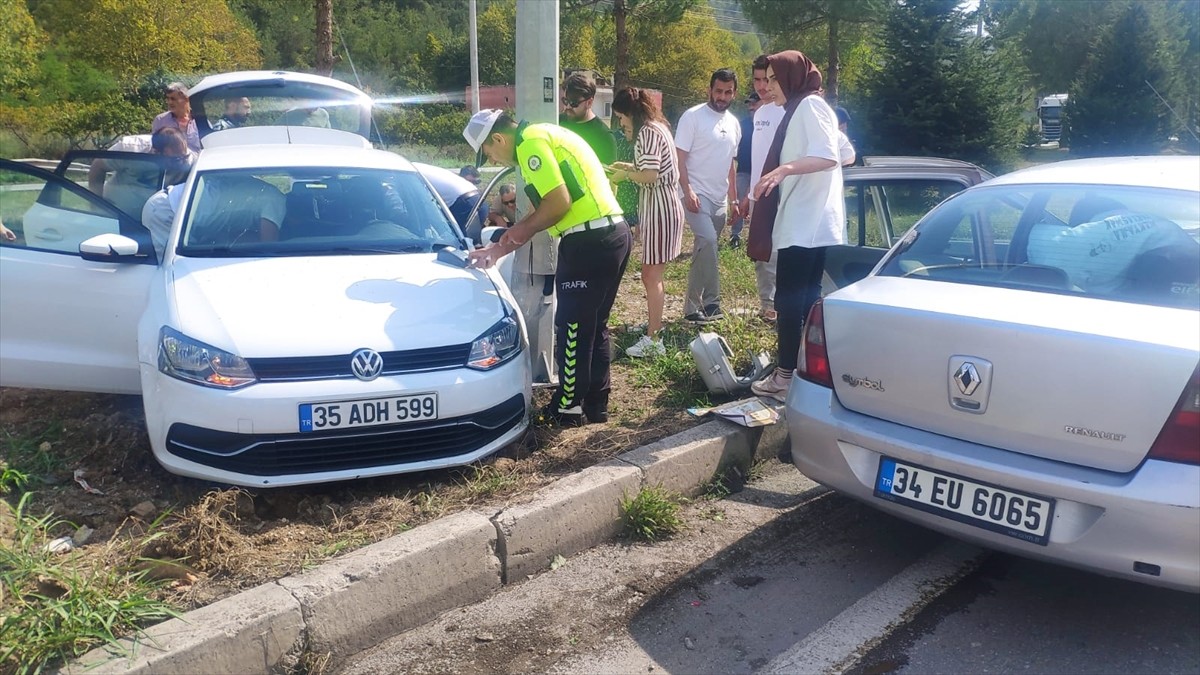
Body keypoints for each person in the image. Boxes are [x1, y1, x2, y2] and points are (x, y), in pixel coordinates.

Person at [463, 109, 631, 426]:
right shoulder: (545, 133)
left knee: (571, 327)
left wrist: (510, 238)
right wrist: (501, 247)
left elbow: (557, 203)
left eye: (490, 154)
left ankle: (566, 407)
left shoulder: (530, 143)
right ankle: (596, 405)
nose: (496, 161)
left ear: (498, 138)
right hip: (612, 234)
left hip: (588, 240)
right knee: (594, 327)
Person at [748, 51, 845, 401]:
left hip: (806, 221)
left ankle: (785, 377)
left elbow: (831, 156)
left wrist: (785, 169)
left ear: (790, 78)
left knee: (788, 303)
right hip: (813, 222)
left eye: (774, 79)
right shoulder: (809, 108)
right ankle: (802, 370)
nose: (769, 86)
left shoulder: (808, 107)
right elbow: (846, 151)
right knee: (804, 301)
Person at [608, 87, 685, 359]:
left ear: (630, 113)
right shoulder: (656, 127)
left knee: (651, 276)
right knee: (651, 275)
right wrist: (627, 167)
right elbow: (652, 169)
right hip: (659, 208)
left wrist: (625, 176)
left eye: (621, 117)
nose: (621, 123)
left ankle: (654, 340)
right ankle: (654, 326)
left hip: (661, 210)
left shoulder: (647, 133)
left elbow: (650, 176)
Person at [675, 68, 741, 324]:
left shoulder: (734, 123)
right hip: (694, 193)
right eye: (718, 91)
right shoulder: (692, 117)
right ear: (709, 90)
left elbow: (730, 165)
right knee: (709, 240)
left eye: (728, 92)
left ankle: (691, 310)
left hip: (719, 198)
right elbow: (679, 159)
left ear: (734, 93)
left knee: (703, 251)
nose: (722, 96)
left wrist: (734, 200)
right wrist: (687, 189)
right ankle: (713, 303)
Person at [488, 182, 558, 385]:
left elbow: (538, 216)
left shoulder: (539, 190)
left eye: (513, 201)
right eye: (506, 203)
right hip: (520, 247)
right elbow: (494, 214)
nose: (510, 205)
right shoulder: (502, 200)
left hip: (544, 259)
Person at [740, 54, 787, 324]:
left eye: (766, 79)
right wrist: (749, 196)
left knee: (780, 251)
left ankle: (781, 305)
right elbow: (758, 157)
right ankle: (767, 304)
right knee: (761, 251)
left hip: (781, 191)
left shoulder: (787, 110)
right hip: (758, 194)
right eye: (757, 79)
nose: (761, 86)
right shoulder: (761, 112)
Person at [87, 127, 194, 219]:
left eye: (184, 156)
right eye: (175, 160)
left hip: (155, 223)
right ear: (156, 152)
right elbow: (97, 167)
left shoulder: (190, 160)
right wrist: (96, 206)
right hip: (114, 214)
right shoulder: (131, 148)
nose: (181, 162)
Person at [413, 162, 489, 241]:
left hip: (465, 204)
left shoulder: (413, 174)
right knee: (473, 243)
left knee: (459, 243)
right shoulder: (420, 169)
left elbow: (419, 208)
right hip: (480, 202)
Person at [559, 71, 616, 164]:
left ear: (589, 102)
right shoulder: (557, 123)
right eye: (565, 101)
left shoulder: (604, 137)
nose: (568, 107)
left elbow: (607, 175)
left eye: (574, 103)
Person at [729, 91, 762, 249]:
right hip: (744, 170)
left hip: (763, 172)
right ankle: (735, 235)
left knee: (759, 205)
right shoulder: (742, 125)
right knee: (740, 202)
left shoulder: (767, 124)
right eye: (749, 104)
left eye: (754, 103)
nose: (751, 107)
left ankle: (756, 238)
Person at [151, 82, 202, 153]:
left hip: (199, 161)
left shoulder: (200, 119)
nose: (169, 102)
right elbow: (155, 148)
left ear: (186, 99)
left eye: (173, 99)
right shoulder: (161, 120)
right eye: (168, 99)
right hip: (172, 162)